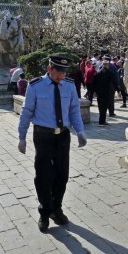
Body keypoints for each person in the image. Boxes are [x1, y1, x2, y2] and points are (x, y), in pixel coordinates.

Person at [17, 55, 87, 233]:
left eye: (64, 72)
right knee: (43, 176)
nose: (61, 76)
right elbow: (26, 112)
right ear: (49, 68)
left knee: (62, 175)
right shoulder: (35, 86)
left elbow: (74, 110)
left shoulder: (70, 85)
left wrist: (80, 131)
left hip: (63, 136)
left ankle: (56, 209)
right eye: (58, 72)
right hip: (43, 136)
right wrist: (21, 137)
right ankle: (44, 212)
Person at [93, 60, 116, 126]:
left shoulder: (98, 72)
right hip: (106, 92)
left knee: (100, 106)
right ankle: (102, 121)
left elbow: (94, 83)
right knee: (105, 107)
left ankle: (101, 120)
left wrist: (95, 91)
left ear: (103, 65)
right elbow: (112, 83)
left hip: (99, 92)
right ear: (107, 65)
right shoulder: (109, 73)